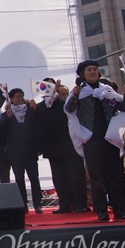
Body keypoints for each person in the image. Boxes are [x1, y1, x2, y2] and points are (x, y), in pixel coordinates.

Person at [65, 59, 125, 221]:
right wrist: (74, 96)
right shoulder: (79, 91)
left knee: (114, 176)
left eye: (94, 69)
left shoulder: (106, 89)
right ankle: (101, 210)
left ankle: (119, 209)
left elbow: (123, 107)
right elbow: (69, 109)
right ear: (83, 74)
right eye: (89, 70)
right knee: (96, 178)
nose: (92, 72)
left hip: (109, 138)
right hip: (91, 139)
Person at [35, 83, 88, 214]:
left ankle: (80, 204)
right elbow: (38, 128)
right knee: (59, 178)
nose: (64, 96)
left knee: (76, 177)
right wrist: (40, 146)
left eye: (65, 93)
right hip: (52, 147)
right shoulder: (40, 107)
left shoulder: (67, 104)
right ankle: (64, 204)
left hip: (71, 145)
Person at [0, 88, 43, 213]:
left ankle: (37, 203)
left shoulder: (31, 112)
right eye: (17, 96)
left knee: (34, 178)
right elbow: (1, 130)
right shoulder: (7, 114)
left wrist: (38, 147)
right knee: (19, 180)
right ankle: (22, 204)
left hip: (30, 151)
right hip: (15, 153)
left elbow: (37, 129)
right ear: (11, 99)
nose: (20, 98)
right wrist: (7, 119)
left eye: (21, 96)